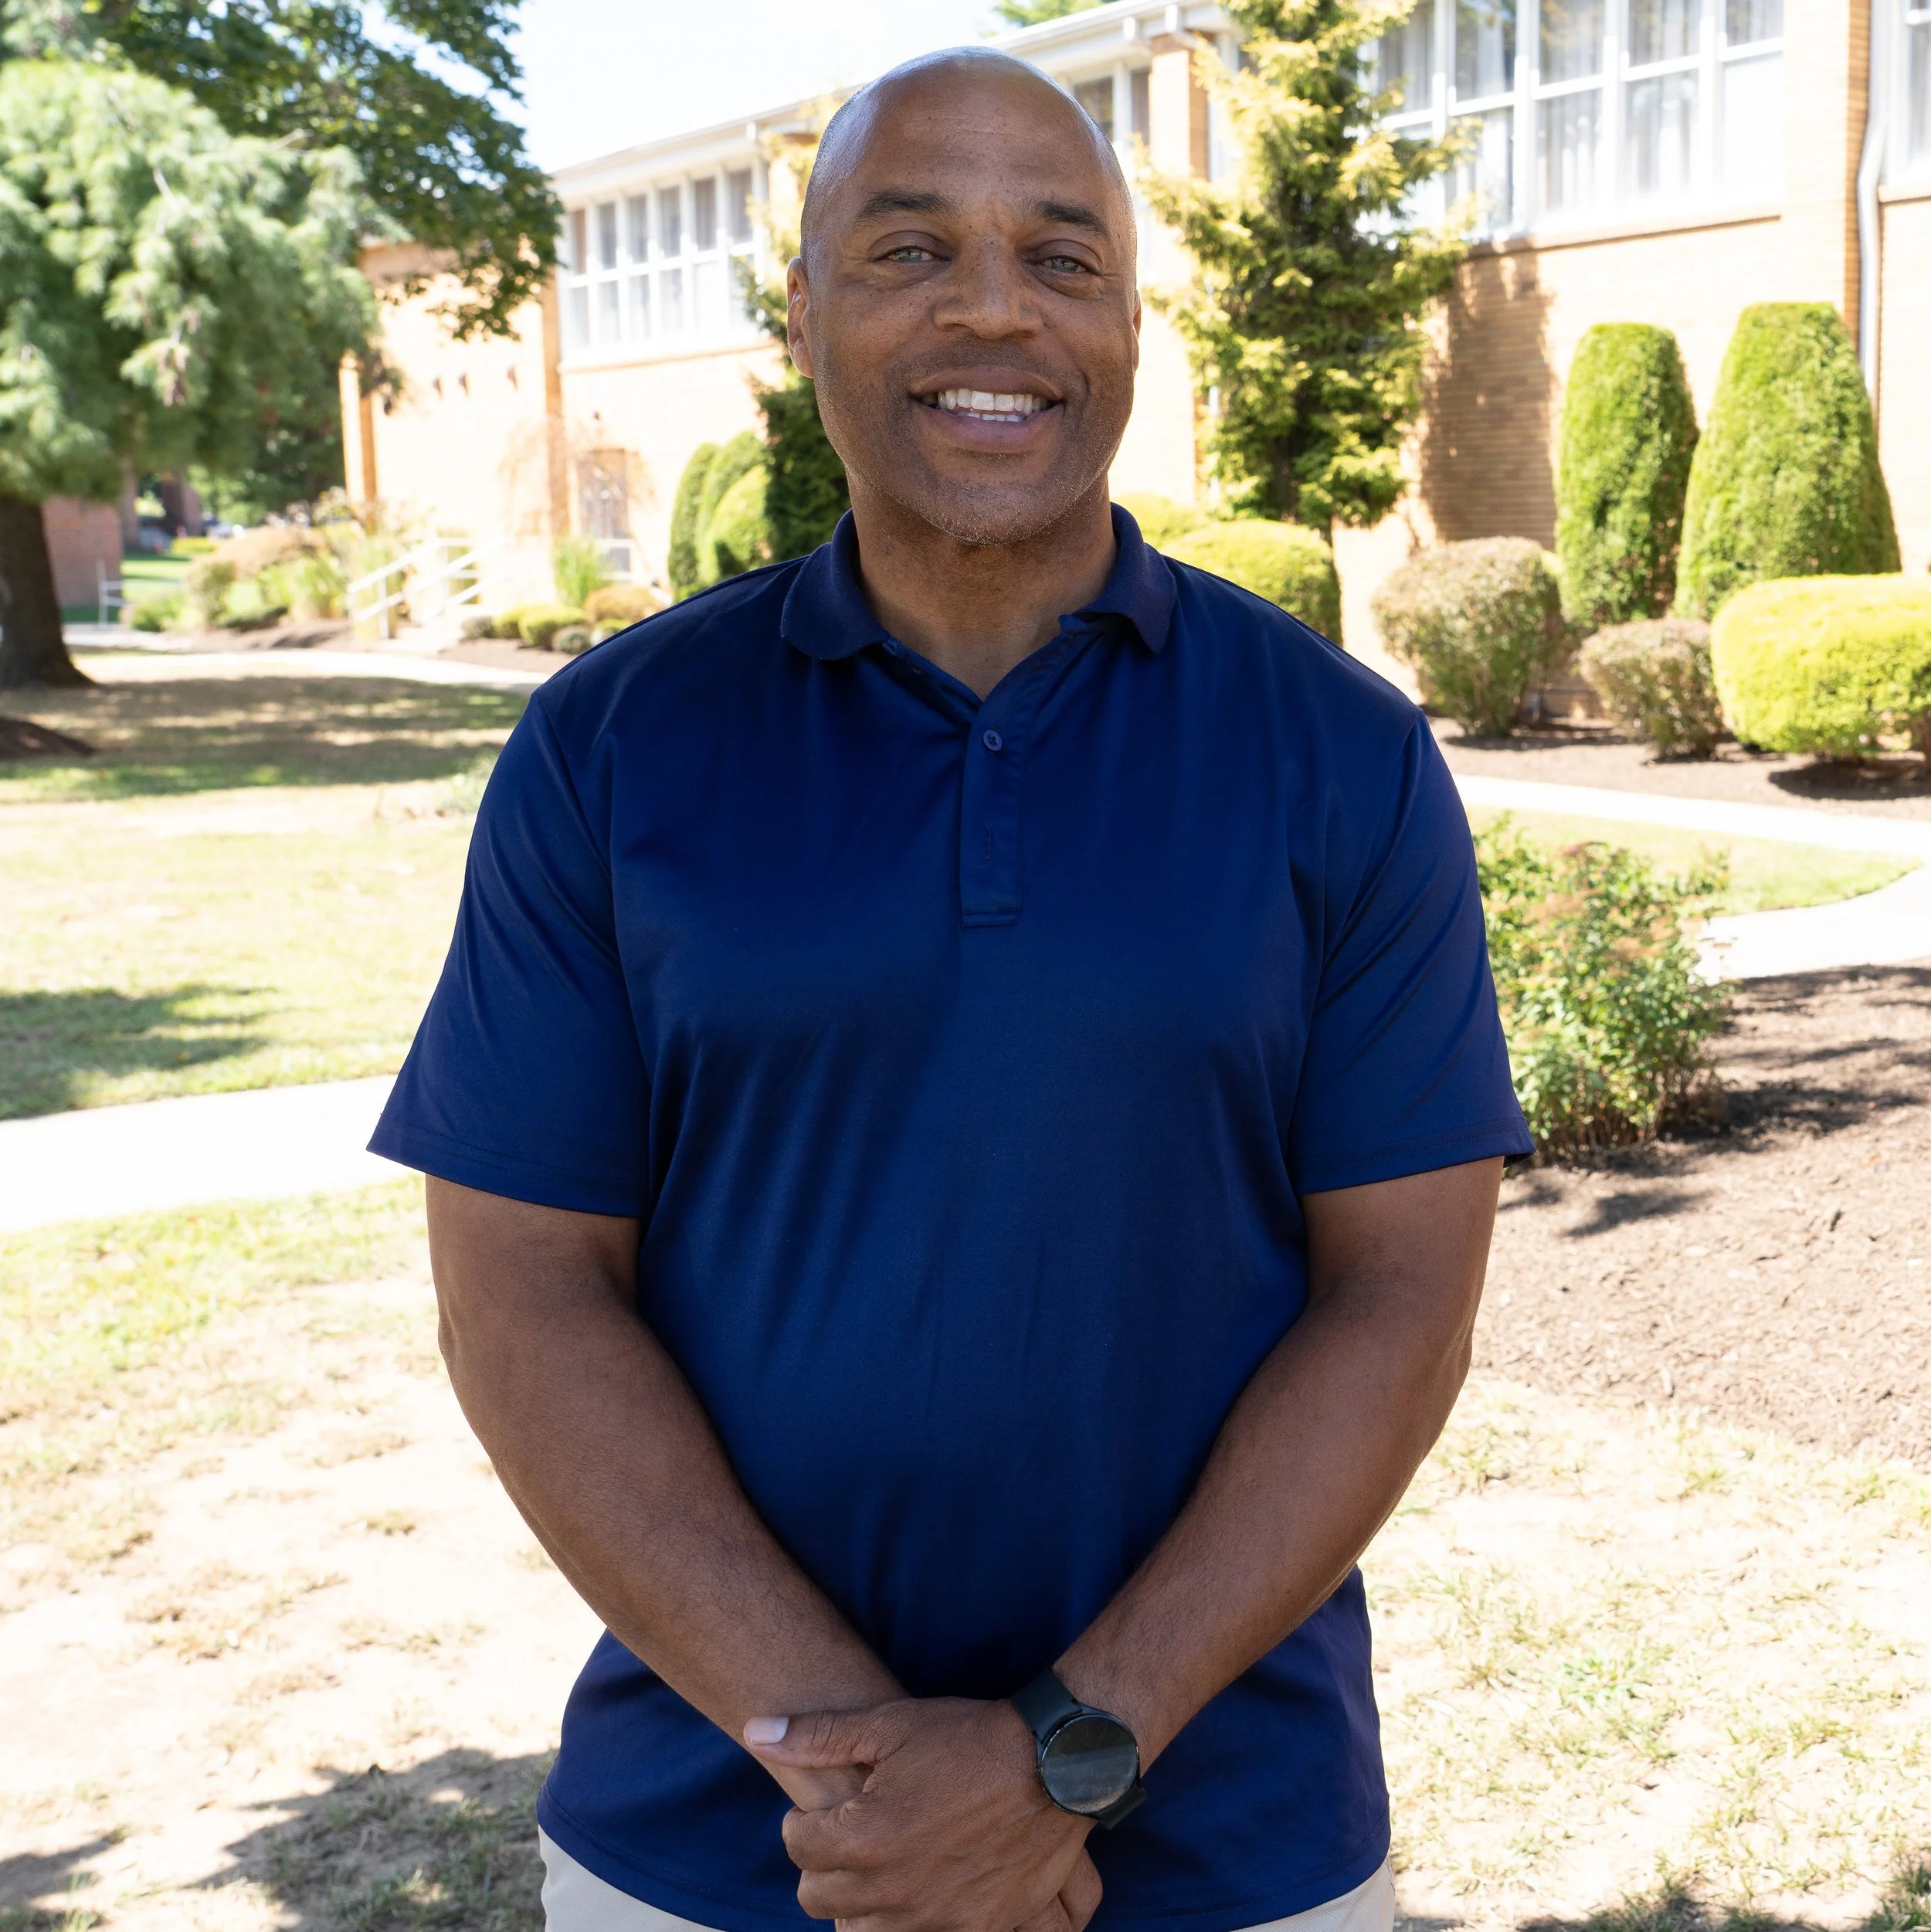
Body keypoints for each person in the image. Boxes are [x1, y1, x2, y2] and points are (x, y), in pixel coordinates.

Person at [371, 44, 1532, 1932]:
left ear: (1129, 324)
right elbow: (519, 1295)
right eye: (909, 247)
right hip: (720, 1834)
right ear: (805, 305)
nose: (994, 306)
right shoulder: (613, 748)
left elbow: (1397, 1296)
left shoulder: (1337, 752)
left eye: (1060, 258)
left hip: (1230, 1835)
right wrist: (864, 1770)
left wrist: (1070, 1744)